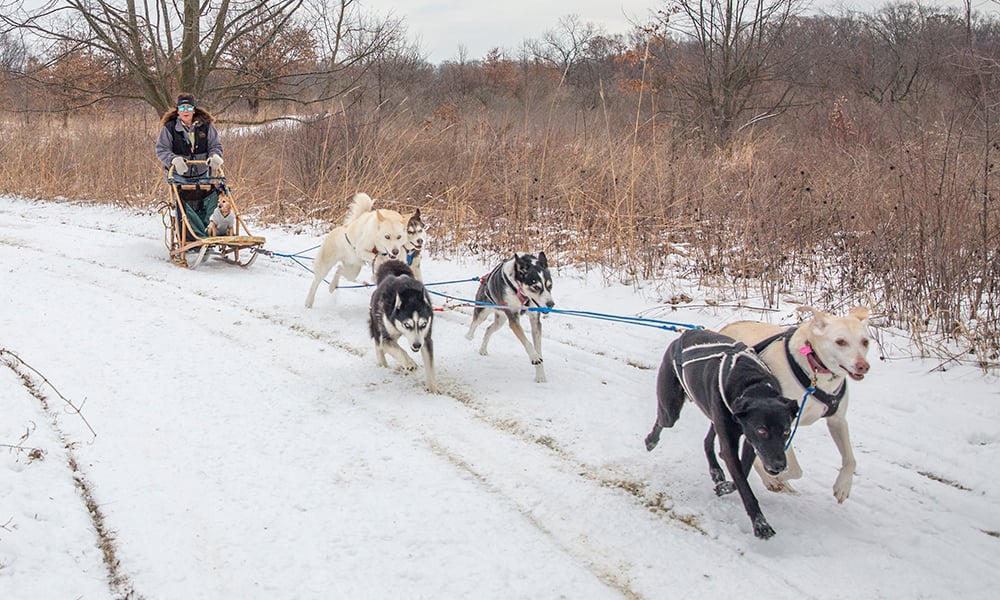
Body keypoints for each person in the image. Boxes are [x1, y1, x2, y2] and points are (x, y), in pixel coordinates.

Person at [155, 92, 225, 240]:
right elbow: (161, 149)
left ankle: (206, 233)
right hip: (179, 175)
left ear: (194, 110)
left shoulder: (206, 127)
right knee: (184, 205)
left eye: (188, 107)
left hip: (202, 173)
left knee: (204, 204)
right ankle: (186, 238)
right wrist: (173, 160)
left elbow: (215, 145)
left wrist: (215, 157)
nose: (185, 111)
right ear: (178, 111)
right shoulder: (169, 128)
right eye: (182, 107)